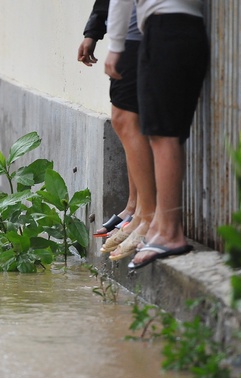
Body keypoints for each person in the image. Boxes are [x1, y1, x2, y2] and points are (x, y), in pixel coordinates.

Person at [104, 0, 209, 269]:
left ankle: (169, 233)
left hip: (163, 28)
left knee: (162, 136)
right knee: (169, 134)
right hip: (192, 26)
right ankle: (160, 229)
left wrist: (115, 45)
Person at [78, 0, 155, 261]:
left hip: (141, 30)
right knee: (128, 120)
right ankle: (135, 208)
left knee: (130, 119)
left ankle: (146, 215)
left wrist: (109, 39)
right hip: (132, 29)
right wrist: (93, 31)